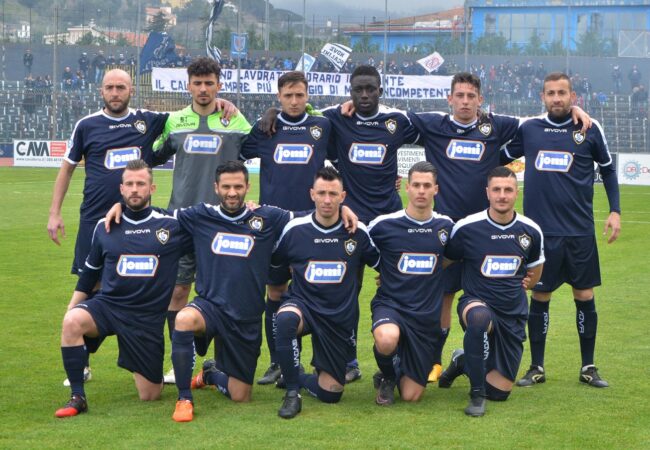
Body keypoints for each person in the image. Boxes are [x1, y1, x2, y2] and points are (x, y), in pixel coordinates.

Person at [502, 72, 621, 389]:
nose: (556, 98)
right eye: (551, 93)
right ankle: (536, 367)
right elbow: (498, 155)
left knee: (584, 295)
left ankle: (588, 367)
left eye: (562, 93)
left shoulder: (589, 129)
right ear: (542, 97)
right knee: (540, 295)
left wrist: (615, 211)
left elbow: (608, 170)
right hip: (541, 235)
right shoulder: (529, 129)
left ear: (573, 97)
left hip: (579, 231)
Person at [54, 160, 192, 418]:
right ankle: (77, 396)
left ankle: (140, 364)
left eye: (141, 183)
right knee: (72, 321)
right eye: (129, 184)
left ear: (152, 188)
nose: (135, 189)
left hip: (145, 319)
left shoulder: (172, 225)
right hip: (109, 306)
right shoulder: (105, 226)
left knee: (150, 395)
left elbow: (210, 228)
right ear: (121, 189)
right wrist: (71, 306)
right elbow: (89, 273)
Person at [151, 56, 250, 384]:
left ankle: (223, 362)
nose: (204, 89)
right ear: (188, 86)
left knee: (224, 294)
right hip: (183, 221)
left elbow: (263, 145)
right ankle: (180, 360)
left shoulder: (234, 120)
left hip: (224, 223)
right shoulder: (175, 121)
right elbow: (150, 153)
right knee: (178, 291)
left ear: (219, 85)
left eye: (209, 83)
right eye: (198, 83)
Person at [241, 70, 332, 385]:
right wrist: (245, 197)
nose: (294, 101)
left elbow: (346, 157)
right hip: (274, 224)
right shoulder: (266, 128)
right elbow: (236, 152)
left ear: (307, 96)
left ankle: (323, 361)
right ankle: (278, 361)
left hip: (311, 223)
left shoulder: (322, 126)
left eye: (299, 95)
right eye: (288, 96)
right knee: (276, 291)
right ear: (278, 97)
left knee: (315, 290)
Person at [272, 167, 380, 419]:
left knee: (331, 393)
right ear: (312, 194)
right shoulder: (294, 229)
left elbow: (382, 264)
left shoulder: (357, 232)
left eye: (333, 194)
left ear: (343, 196)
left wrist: (385, 277)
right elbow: (276, 264)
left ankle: (295, 375)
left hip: (336, 318)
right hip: (303, 306)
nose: (327, 200)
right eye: (321, 193)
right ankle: (292, 393)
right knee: (285, 318)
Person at [439, 166, 545, 417]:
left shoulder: (530, 230)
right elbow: (442, 262)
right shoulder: (467, 227)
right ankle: (477, 395)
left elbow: (535, 271)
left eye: (508, 190)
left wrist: (526, 283)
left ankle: (462, 361)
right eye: (496, 189)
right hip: (476, 302)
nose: (502, 195)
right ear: (487, 192)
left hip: (512, 312)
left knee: (499, 392)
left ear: (516, 193)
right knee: (478, 319)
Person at [368, 161, 454, 406]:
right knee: (386, 338)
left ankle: (398, 365)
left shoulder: (446, 227)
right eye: (416, 185)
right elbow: (356, 243)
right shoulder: (383, 224)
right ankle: (387, 375)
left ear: (436, 189)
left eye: (427, 185)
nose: (421, 191)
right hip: (391, 305)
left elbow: (452, 257)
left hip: (424, 317)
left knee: (411, 396)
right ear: (407, 187)